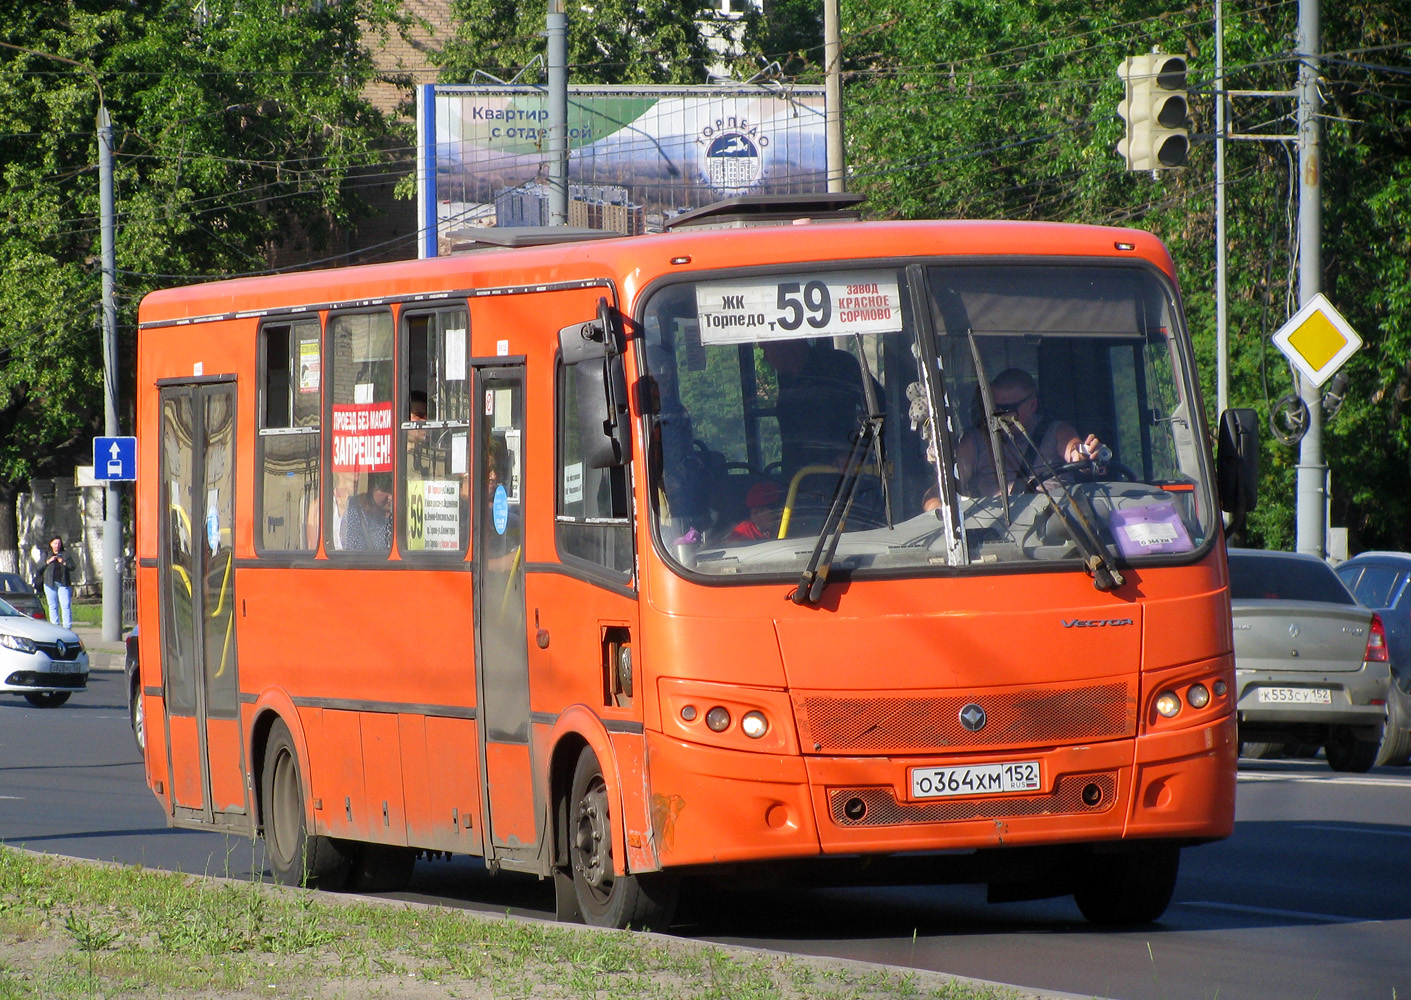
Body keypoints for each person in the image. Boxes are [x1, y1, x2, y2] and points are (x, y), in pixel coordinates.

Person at [954, 368, 1102, 496]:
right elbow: (946, 486)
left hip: (1055, 524)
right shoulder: (975, 441)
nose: (999, 416)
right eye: (995, 408)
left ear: (1032, 405)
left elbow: (1073, 449)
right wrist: (936, 508)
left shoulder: (1056, 432)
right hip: (997, 526)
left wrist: (1085, 454)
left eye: (1007, 409)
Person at [762, 339, 873, 480]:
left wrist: (857, 452)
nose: (765, 358)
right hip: (797, 482)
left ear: (787, 344)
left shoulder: (839, 365)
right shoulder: (786, 378)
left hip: (842, 480)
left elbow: (883, 407)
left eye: (767, 349)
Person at [340, 472, 392, 551]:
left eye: (392, 491)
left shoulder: (399, 513)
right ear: (372, 490)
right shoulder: (356, 512)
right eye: (385, 491)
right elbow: (352, 552)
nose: (391, 497)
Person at [39, 535, 74, 630]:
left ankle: (67, 626)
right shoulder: (46, 554)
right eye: (55, 543)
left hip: (63, 583)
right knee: (53, 605)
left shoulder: (65, 554)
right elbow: (39, 568)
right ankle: (55, 626)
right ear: (51, 544)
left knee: (65, 604)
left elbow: (72, 566)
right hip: (50, 583)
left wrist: (63, 562)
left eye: (59, 543)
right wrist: (48, 561)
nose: (57, 545)